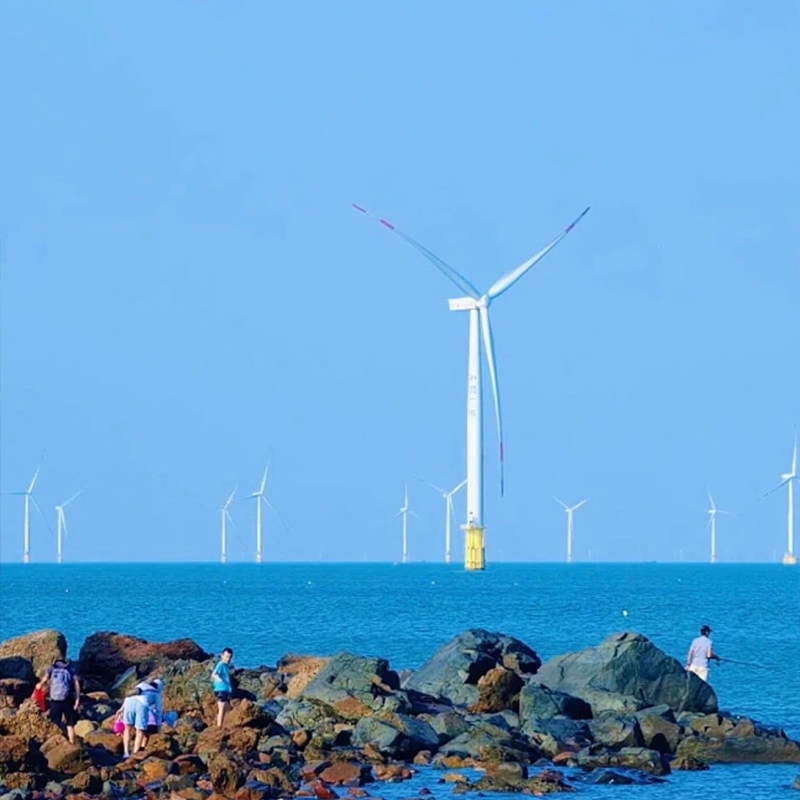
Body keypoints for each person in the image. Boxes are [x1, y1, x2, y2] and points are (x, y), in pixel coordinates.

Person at [36, 659, 81, 744]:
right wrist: (77, 699)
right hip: (67, 700)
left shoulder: (52, 668)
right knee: (70, 724)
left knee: (55, 722)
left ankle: (59, 742)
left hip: (55, 700)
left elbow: (45, 679)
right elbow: (76, 684)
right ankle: (72, 743)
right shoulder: (69, 669)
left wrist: (39, 685)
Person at [121, 690, 150, 757]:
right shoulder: (152, 691)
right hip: (142, 704)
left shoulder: (133, 691)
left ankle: (126, 753)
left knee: (127, 728)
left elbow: (127, 698)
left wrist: (121, 709)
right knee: (139, 731)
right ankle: (135, 753)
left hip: (129, 703)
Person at [212, 647, 235, 727]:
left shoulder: (226, 666)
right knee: (221, 710)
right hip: (220, 690)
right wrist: (218, 679)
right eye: (226, 656)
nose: (228, 659)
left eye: (229, 657)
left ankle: (219, 722)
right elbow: (214, 674)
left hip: (226, 690)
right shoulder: (220, 664)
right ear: (222, 656)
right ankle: (219, 727)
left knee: (227, 709)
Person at [140, 678, 164, 747]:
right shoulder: (157, 696)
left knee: (143, 735)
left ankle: (141, 748)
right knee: (147, 736)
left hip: (143, 721)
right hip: (152, 723)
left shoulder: (144, 694)